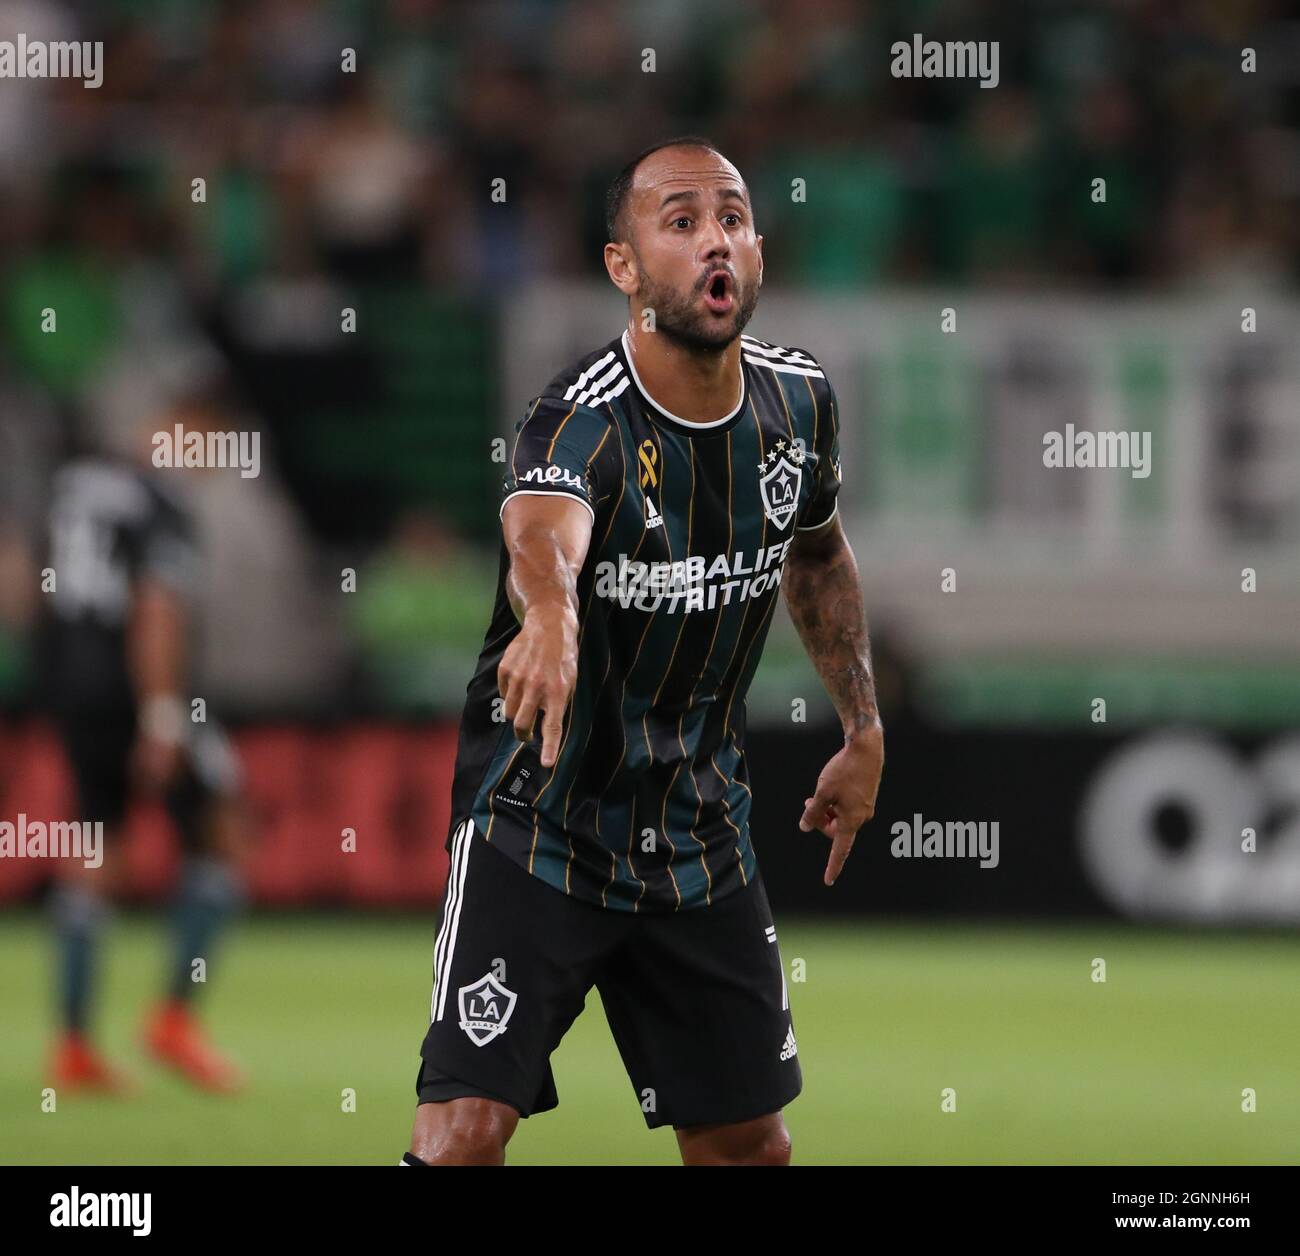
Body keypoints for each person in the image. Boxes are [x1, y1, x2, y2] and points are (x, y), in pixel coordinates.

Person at [403, 138, 884, 1165]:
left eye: (733, 216)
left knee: (749, 1145)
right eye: (681, 221)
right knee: (461, 1137)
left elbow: (819, 555)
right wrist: (550, 618)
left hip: (698, 831)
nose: (716, 238)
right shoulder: (577, 420)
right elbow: (543, 533)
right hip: (541, 824)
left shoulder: (799, 406)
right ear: (622, 266)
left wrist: (862, 724)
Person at [42, 412, 248, 1094]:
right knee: (220, 830)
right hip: (142, 690)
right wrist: (161, 715)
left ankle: (72, 1045)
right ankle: (173, 1020)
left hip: (73, 686)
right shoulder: (160, 499)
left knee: (96, 847)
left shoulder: (70, 485)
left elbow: (23, 586)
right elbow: (157, 607)